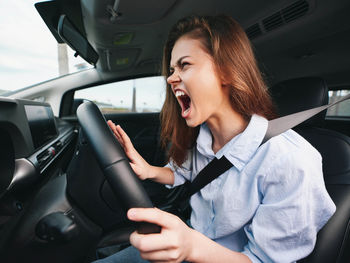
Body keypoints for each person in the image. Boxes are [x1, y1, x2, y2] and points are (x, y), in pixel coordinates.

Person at [94, 15, 336, 263]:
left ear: (226, 71)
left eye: (184, 65)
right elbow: (184, 173)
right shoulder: (203, 137)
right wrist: (149, 170)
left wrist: (191, 247)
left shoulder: (291, 161)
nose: (170, 78)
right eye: (171, 70)